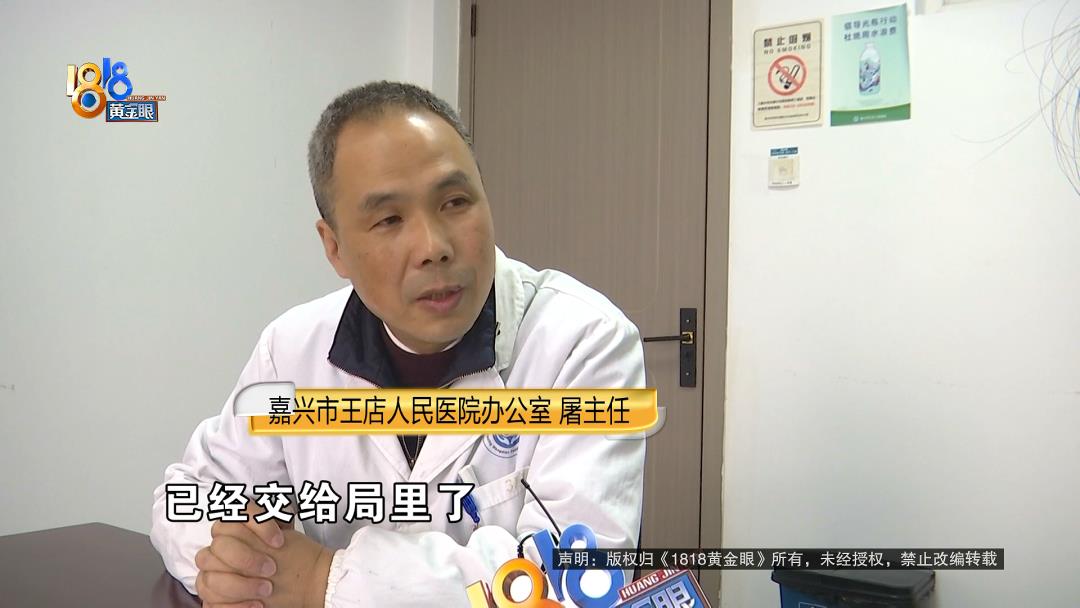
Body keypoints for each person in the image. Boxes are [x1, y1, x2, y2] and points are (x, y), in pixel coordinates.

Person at [150, 80, 646, 607]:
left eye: (455, 202)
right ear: (334, 247)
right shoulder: (291, 349)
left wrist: (324, 579)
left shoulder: (582, 342)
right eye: (389, 219)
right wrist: (237, 565)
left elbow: (580, 579)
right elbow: (186, 499)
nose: (434, 246)